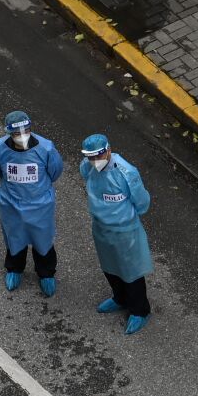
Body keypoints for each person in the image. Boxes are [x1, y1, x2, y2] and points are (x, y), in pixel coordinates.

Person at [79, 134, 153, 335]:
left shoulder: (126, 172)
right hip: (102, 228)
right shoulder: (87, 166)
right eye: (91, 157)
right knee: (110, 266)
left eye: (98, 156)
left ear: (109, 150)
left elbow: (141, 202)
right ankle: (119, 298)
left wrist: (123, 218)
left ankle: (140, 310)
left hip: (125, 231)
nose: (95, 161)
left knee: (131, 272)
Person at [0, 110, 63, 297]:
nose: (22, 137)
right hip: (11, 203)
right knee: (14, 237)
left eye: (25, 131)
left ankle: (46, 273)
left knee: (43, 240)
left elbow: (55, 171)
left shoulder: (45, 148)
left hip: (40, 205)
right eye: (16, 134)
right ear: (8, 133)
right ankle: (14, 269)